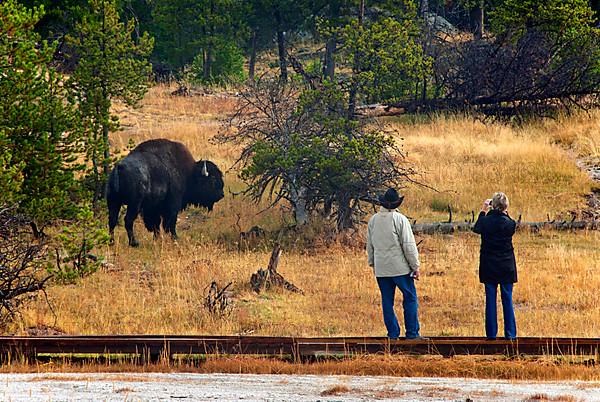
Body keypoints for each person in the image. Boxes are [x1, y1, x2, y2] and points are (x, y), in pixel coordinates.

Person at [366, 188, 423, 340]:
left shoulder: (373, 220)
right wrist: (415, 266)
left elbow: (370, 245)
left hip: (382, 269)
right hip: (400, 268)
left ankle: (393, 334)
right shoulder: (400, 219)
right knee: (410, 297)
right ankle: (412, 333)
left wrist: (373, 263)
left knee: (387, 301)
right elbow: (408, 245)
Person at [472, 192, 518, 340]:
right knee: (507, 299)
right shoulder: (510, 223)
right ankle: (510, 334)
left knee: (490, 300)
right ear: (505, 207)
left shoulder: (485, 222)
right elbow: (511, 223)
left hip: (489, 264)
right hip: (506, 265)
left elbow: (476, 228)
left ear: (493, 205)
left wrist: (484, 210)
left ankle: (491, 334)